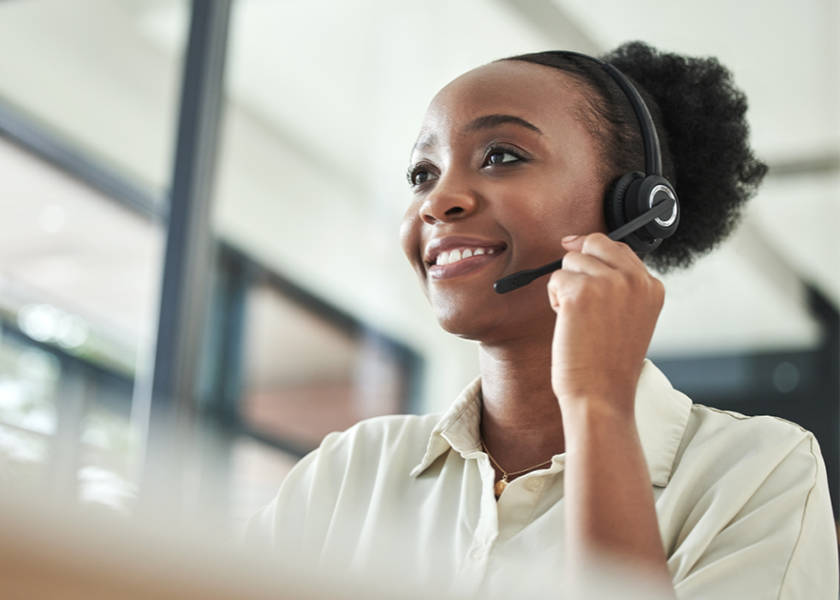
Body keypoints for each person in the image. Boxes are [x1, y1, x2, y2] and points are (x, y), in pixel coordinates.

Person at [244, 42, 838, 599]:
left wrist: (598, 406)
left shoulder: (758, 475)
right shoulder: (348, 473)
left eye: (501, 156)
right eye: (423, 173)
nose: (436, 200)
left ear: (635, 208)